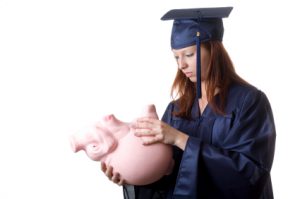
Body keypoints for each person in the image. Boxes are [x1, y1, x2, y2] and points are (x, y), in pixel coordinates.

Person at [101, 7, 276, 199]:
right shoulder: (177, 109)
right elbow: (170, 174)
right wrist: (136, 173)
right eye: (176, 57)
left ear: (213, 50)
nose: (181, 64)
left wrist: (180, 139)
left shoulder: (249, 102)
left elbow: (251, 174)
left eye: (189, 54)